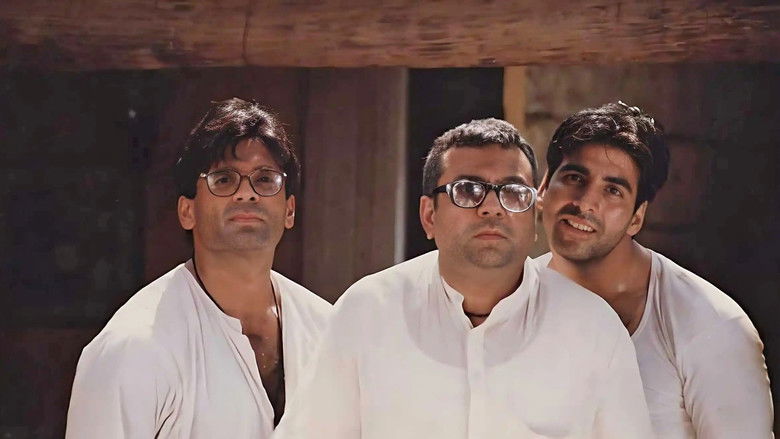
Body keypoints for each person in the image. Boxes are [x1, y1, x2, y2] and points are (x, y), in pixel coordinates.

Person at [275, 118, 653, 438]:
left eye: (513, 192)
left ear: (533, 215)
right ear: (429, 216)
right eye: (468, 190)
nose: (492, 208)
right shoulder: (368, 312)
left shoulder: (593, 328)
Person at [66, 98, 332, 438]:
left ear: (289, 210)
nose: (246, 193)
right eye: (224, 180)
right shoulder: (133, 347)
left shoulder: (327, 330)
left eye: (265, 179)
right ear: (187, 211)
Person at [537, 102, 774, 437]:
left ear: (637, 217)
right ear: (543, 188)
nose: (586, 202)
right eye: (575, 177)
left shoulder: (710, 325)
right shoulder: (509, 302)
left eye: (613, 190)